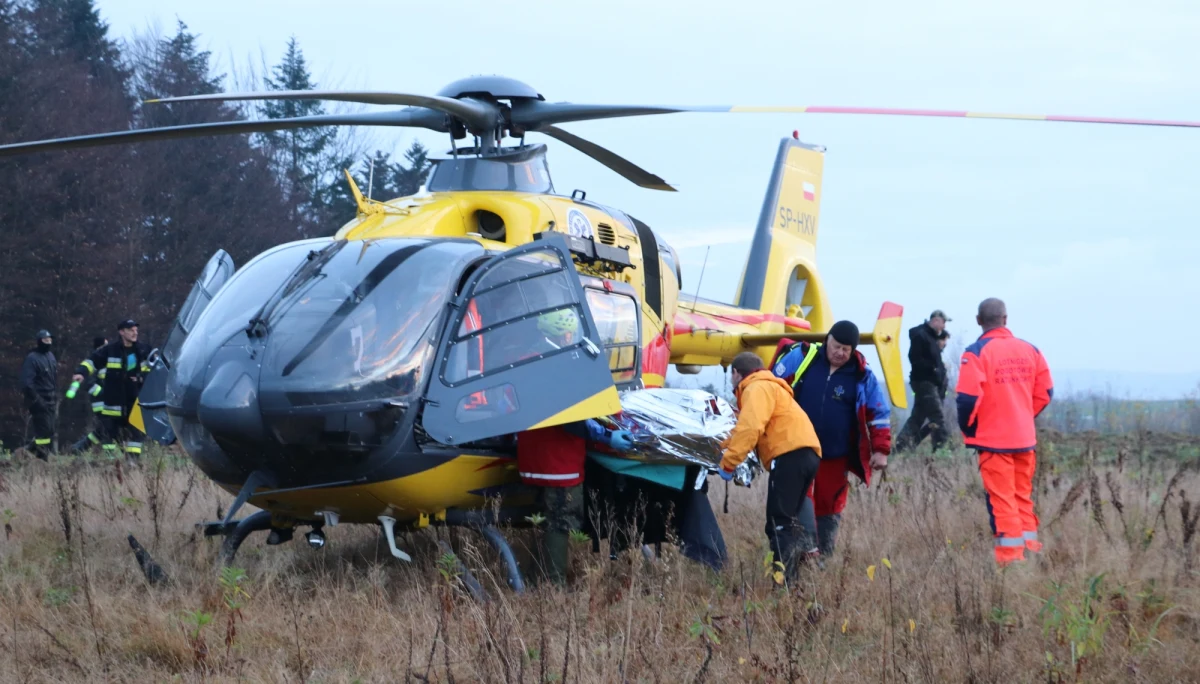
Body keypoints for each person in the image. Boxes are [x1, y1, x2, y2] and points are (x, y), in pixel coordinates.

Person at [513, 309, 636, 586]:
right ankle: (553, 585)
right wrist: (607, 436)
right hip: (559, 464)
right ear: (564, 334)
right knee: (561, 522)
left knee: (542, 521)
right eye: (570, 334)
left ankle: (535, 578)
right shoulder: (557, 365)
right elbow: (570, 418)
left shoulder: (527, 360)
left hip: (533, 460)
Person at [770, 320, 892, 556]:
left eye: (846, 349)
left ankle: (823, 558)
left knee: (829, 504)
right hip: (797, 449)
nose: (840, 353)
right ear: (827, 341)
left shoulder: (863, 376)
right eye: (836, 346)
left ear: (853, 350)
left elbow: (878, 414)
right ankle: (800, 552)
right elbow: (770, 391)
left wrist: (881, 450)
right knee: (797, 498)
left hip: (836, 454)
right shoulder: (802, 358)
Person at [956, 298, 1053, 566]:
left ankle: (1011, 563)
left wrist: (971, 428)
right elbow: (1045, 392)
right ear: (1005, 319)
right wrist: (1022, 416)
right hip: (1024, 440)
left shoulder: (976, 353)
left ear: (979, 321)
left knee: (1003, 502)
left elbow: (967, 399)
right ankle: (1031, 550)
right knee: (1022, 497)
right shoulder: (1031, 350)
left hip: (993, 443)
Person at [717, 352, 823, 583]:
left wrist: (729, 463)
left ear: (736, 373)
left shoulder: (755, 388)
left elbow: (750, 427)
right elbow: (743, 428)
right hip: (808, 453)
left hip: (789, 454)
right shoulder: (770, 386)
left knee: (779, 524)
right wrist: (722, 446)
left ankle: (783, 585)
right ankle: (794, 580)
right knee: (789, 520)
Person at [72, 319, 152, 461]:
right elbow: (92, 361)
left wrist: (141, 378)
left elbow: (154, 371)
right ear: (122, 332)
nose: (135, 333)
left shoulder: (144, 350)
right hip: (113, 400)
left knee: (137, 434)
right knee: (108, 433)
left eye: (136, 330)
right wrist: (81, 372)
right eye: (131, 330)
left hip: (135, 400)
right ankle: (111, 463)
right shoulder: (110, 350)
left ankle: (132, 463)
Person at [895, 309, 951, 452]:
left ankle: (900, 446)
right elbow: (914, 358)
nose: (944, 326)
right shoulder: (921, 335)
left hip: (927, 383)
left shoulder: (930, 338)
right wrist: (934, 370)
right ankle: (941, 450)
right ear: (936, 320)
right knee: (937, 417)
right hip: (925, 383)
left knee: (918, 417)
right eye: (943, 322)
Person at [20, 329, 58, 460]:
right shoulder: (32, 358)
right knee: (43, 431)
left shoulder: (51, 356)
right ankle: (42, 458)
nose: (48, 342)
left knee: (50, 430)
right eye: (45, 340)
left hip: (51, 399)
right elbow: (27, 383)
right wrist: (37, 400)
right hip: (38, 400)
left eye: (50, 339)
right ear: (39, 341)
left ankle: (27, 452)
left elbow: (52, 379)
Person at [68, 336, 110, 453]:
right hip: (100, 402)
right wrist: (102, 393)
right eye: (106, 345)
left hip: (107, 401)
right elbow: (88, 383)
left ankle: (79, 448)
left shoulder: (105, 360)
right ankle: (109, 454)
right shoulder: (95, 361)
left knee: (103, 429)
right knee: (107, 428)